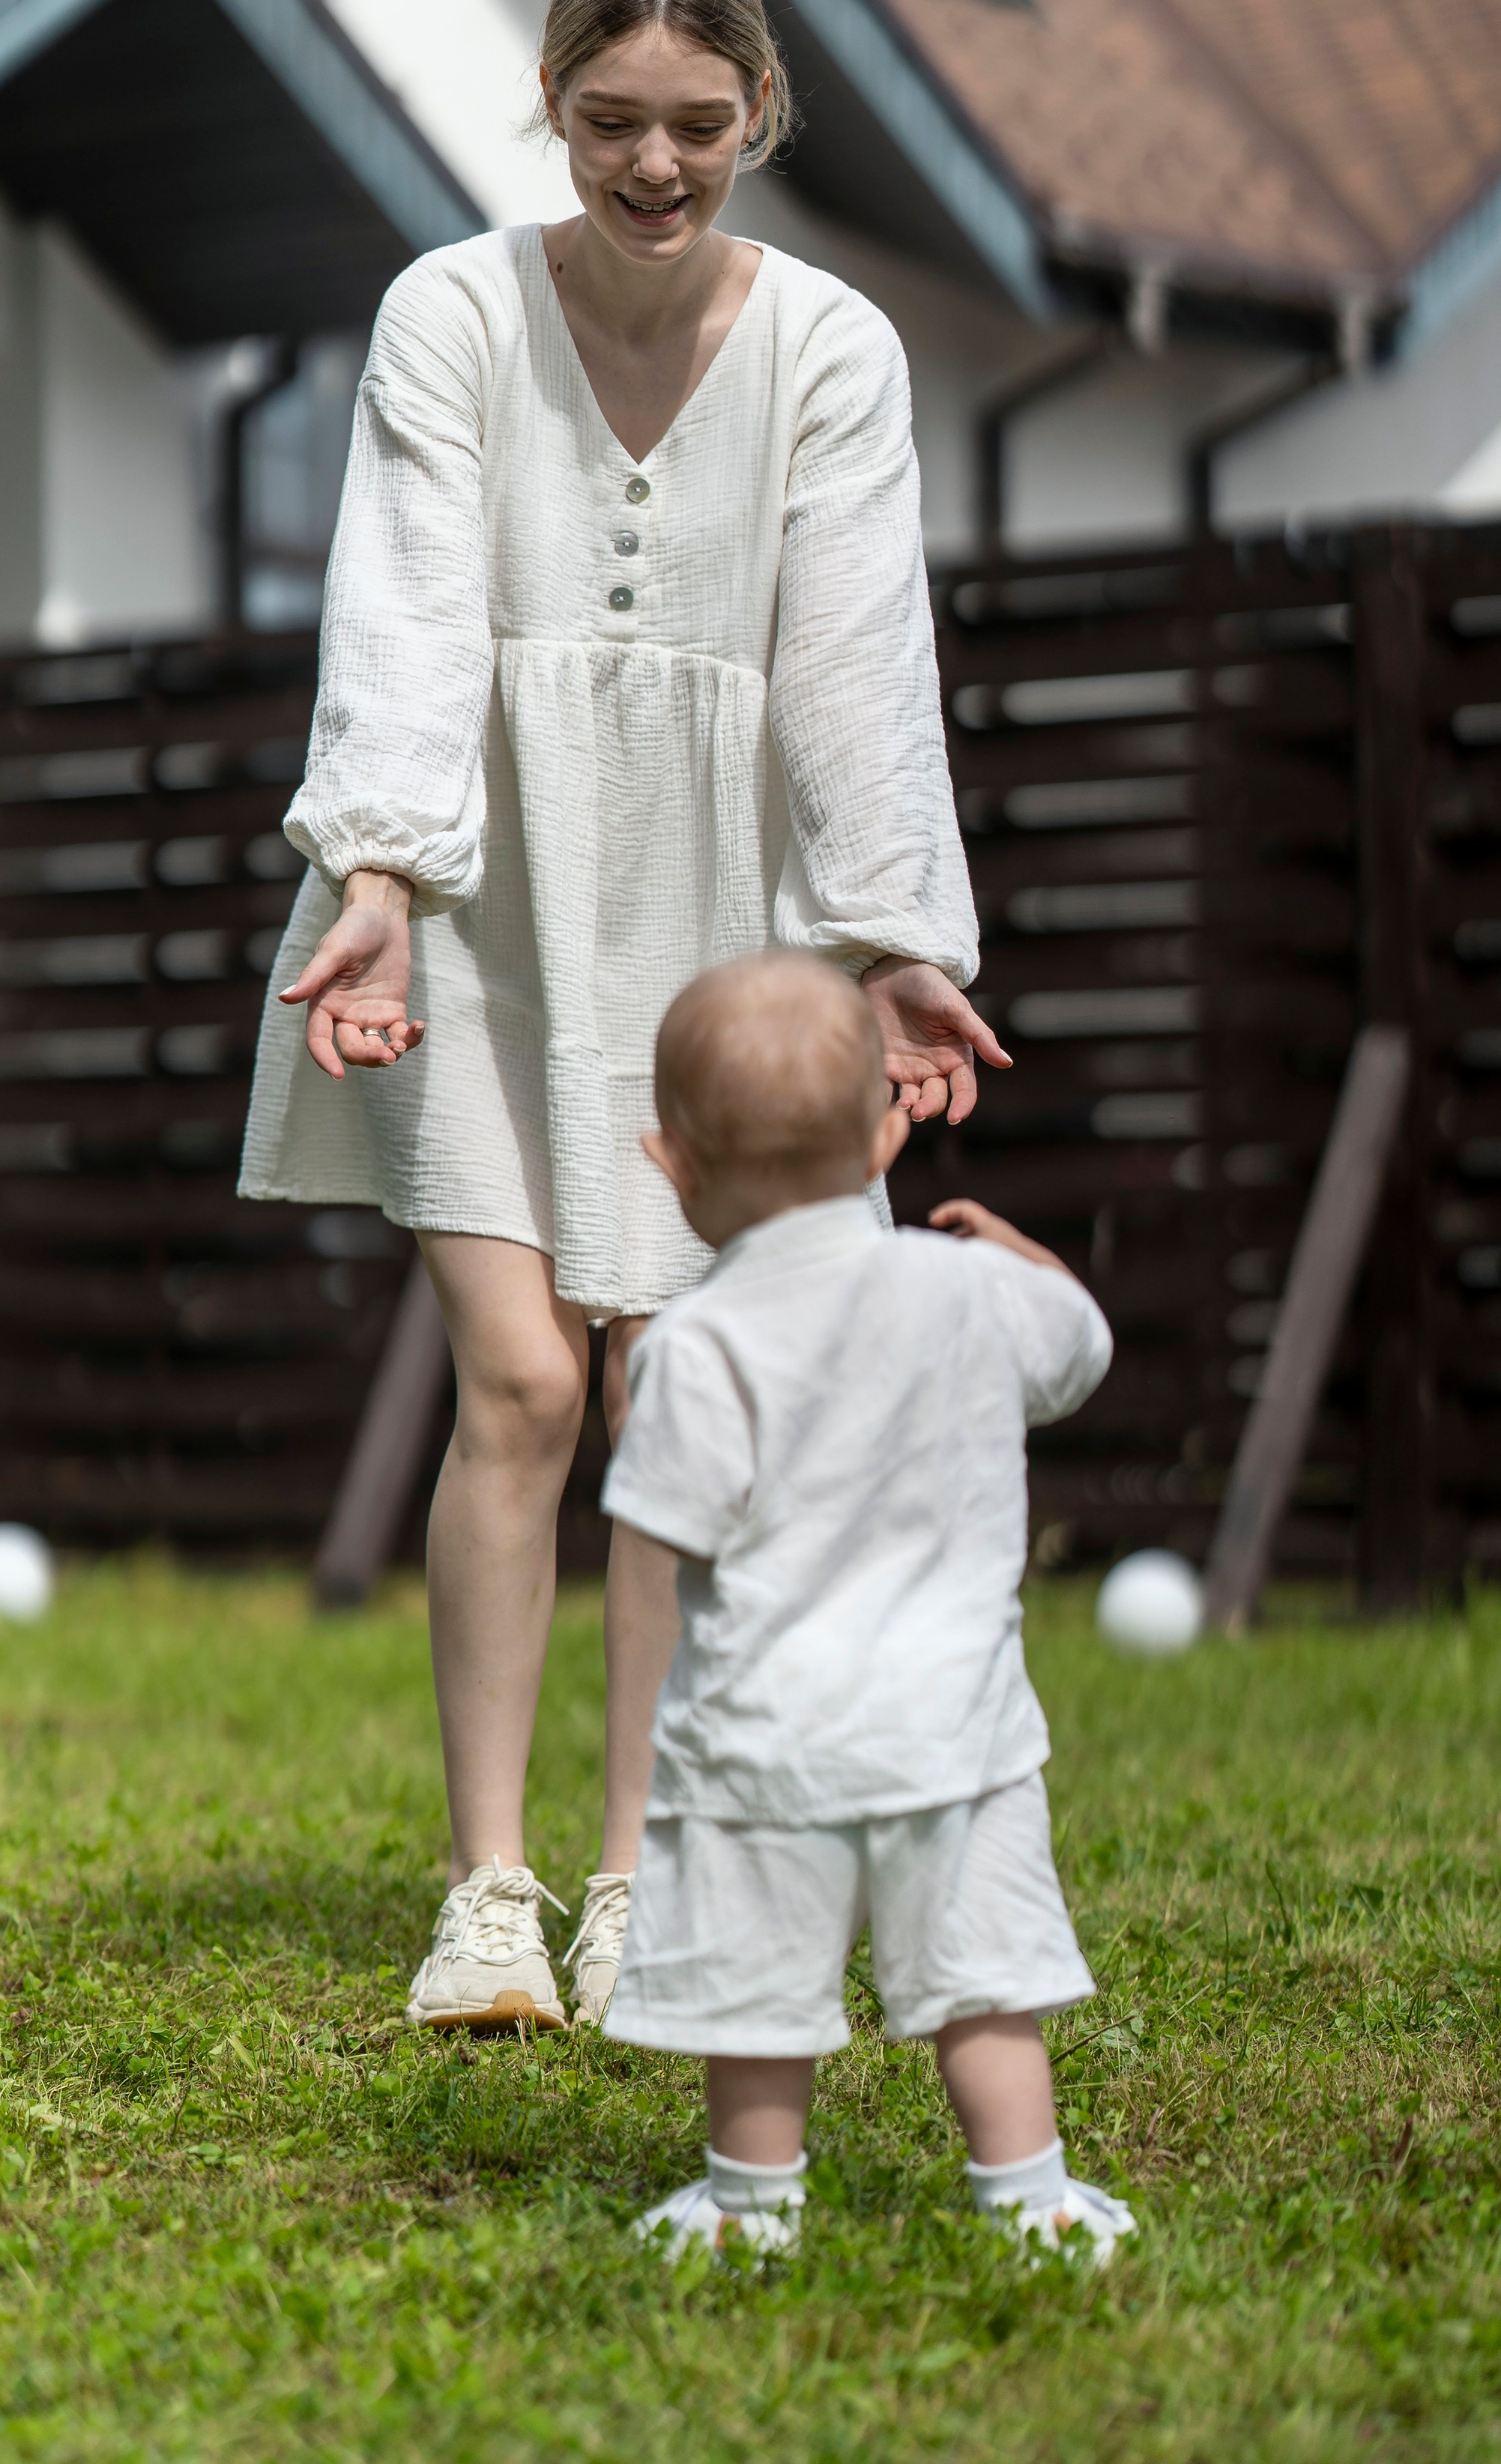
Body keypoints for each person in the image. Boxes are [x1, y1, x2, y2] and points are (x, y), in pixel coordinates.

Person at [238, 0, 1006, 2032]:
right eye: (607, 122)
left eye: (695, 123)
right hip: (464, 896)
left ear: (759, 109)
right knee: (527, 1381)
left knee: (675, 1403)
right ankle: (488, 1898)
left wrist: (893, 952)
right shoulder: (449, 316)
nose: (653, 165)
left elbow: (859, 665)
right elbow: (395, 602)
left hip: (722, 911)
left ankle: (638, 1879)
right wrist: (379, 871)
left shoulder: (838, 347)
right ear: (550, 106)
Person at [602, 954, 1135, 2265]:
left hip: (769, 1740)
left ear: (669, 1164)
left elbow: (667, 1522)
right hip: (958, 1733)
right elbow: (1080, 1350)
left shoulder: (697, 1345)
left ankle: (752, 2204)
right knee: (986, 1983)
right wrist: (1025, 1260)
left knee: (760, 1993)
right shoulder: (970, 1291)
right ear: (889, 1130)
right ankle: (1031, 2199)